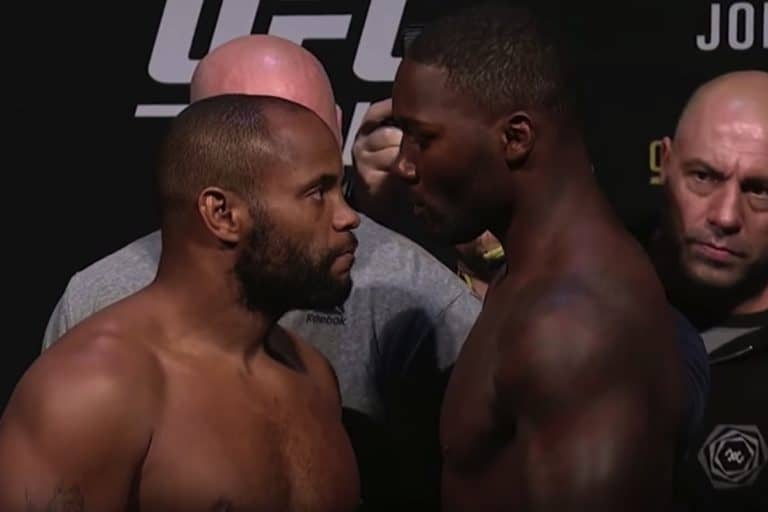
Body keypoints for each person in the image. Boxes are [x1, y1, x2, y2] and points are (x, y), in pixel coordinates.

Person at [41, 34, 481, 508]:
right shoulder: (89, 356)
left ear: (335, 127)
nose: (347, 216)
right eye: (313, 189)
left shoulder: (328, 366)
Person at [390, 5, 694, 510]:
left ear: (515, 138)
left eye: (423, 138)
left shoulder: (575, 325)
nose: (403, 163)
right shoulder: (530, 274)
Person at [1, 94, 360, 511]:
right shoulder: (89, 393)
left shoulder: (314, 374)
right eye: (318, 193)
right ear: (222, 214)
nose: (347, 217)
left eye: (342, 189)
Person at [654, 70, 768, 511]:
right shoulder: (595, 296)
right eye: (703, 176)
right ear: (664, 165)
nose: (724, 216)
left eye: (759, 190)